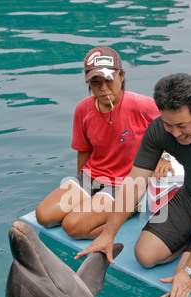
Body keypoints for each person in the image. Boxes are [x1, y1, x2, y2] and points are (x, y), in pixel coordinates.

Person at [75, 73, 191, 297]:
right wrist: (108, 234)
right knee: (145, 256)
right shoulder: (160, 129)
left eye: (182, 126)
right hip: (190, 197)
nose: (176, 134)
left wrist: (190, 272)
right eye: (169, 125)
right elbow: (135, 181)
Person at [36, 46, 172, 239]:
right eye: (95, 82)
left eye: (108, 80)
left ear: (122, 76)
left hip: (125, 183)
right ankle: (107, 210)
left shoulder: (143, 105)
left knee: (73, 227)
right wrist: (81, 191)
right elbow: (84, 150)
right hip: (91, 176)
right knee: (44, 216)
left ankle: (128, 210)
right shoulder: (83, 109)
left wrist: (165, 156)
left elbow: (173, 127)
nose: (103, 88)